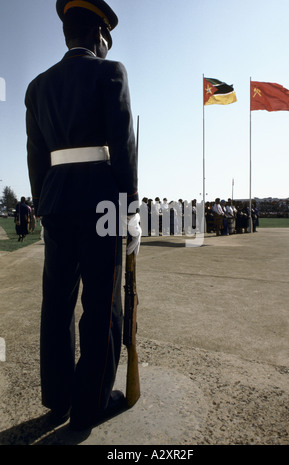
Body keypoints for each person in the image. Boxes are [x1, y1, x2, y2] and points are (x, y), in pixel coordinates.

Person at [25, 0, 140, 431]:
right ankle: (90, 402)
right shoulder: (111, 73)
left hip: (55, 204)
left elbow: (37, 159)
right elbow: (123, 148)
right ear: (98, 35)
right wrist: (130, 212)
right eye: (106, 36)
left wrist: (45, 203)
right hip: (101, 204)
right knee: (101, 305)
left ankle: (58, 398)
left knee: (56, 303)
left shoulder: (37, 87)